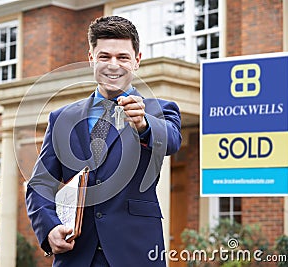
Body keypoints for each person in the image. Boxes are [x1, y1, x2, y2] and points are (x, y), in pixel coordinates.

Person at [26, 15, 182, 267]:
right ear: (91, 59)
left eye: (122, 57)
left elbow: (172, 141)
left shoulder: (158, 111)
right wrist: (49, 228)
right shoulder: (62, 118)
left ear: (137, 61)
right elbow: (40, 183)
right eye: (104, 56)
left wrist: (143, 125)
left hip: (136, 253)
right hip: (76, 255)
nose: (113, 65)